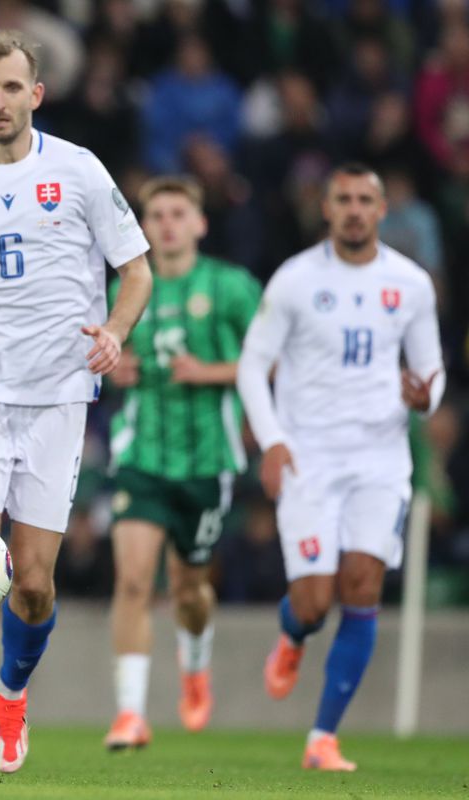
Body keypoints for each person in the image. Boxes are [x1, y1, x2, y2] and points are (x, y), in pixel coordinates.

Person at [0, 32, 152, 776]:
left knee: (34, 583)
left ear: (35, 94)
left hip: (57, 395)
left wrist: (113, 331)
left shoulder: (77, 171)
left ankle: (12, 691)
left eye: (13, 87)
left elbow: (134, 271)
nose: (0, 101)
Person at [236, 163, 444, 771]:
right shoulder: (296, 281)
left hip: (381, 458)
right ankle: (293, 634)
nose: (354, 209)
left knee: (364, 585)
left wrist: (422, 399)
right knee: (313, 603)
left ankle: (322, 738)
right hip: (309, 457)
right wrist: (273, 440)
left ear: (382, 210)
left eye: (365, 200)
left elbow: (430, 376)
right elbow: (253, 366)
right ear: (326, 209)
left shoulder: (411, 285)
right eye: (343, 200)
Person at [103, 176, 261, 750]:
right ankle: (129, 714)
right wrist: (110, 367)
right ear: (144, 226)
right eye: (157, 214)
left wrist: (212, 372)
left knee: (189, 590)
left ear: (199, 223)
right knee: (133, 580)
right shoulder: (128, 289)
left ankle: (195, 664)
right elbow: (99, 355)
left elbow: (273, 360)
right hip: (141, 453)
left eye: (178, 213)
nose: (167, 223)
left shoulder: (231, 287)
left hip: (207, 461)